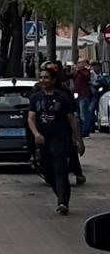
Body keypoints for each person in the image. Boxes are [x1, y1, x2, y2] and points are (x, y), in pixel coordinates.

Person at [28, 64, 84, 215]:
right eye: (41, 77)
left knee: (60, 170)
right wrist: (36, 134)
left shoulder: (62, 97)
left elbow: (72, 120)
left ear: (53, 80)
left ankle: (63, 201)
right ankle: (60, 195)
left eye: (46, 77)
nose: (43, 80)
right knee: (48, 171)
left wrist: (79, 141)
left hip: (60, 138)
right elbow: (31, 118)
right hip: (43, 140)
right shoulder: (35, 97)